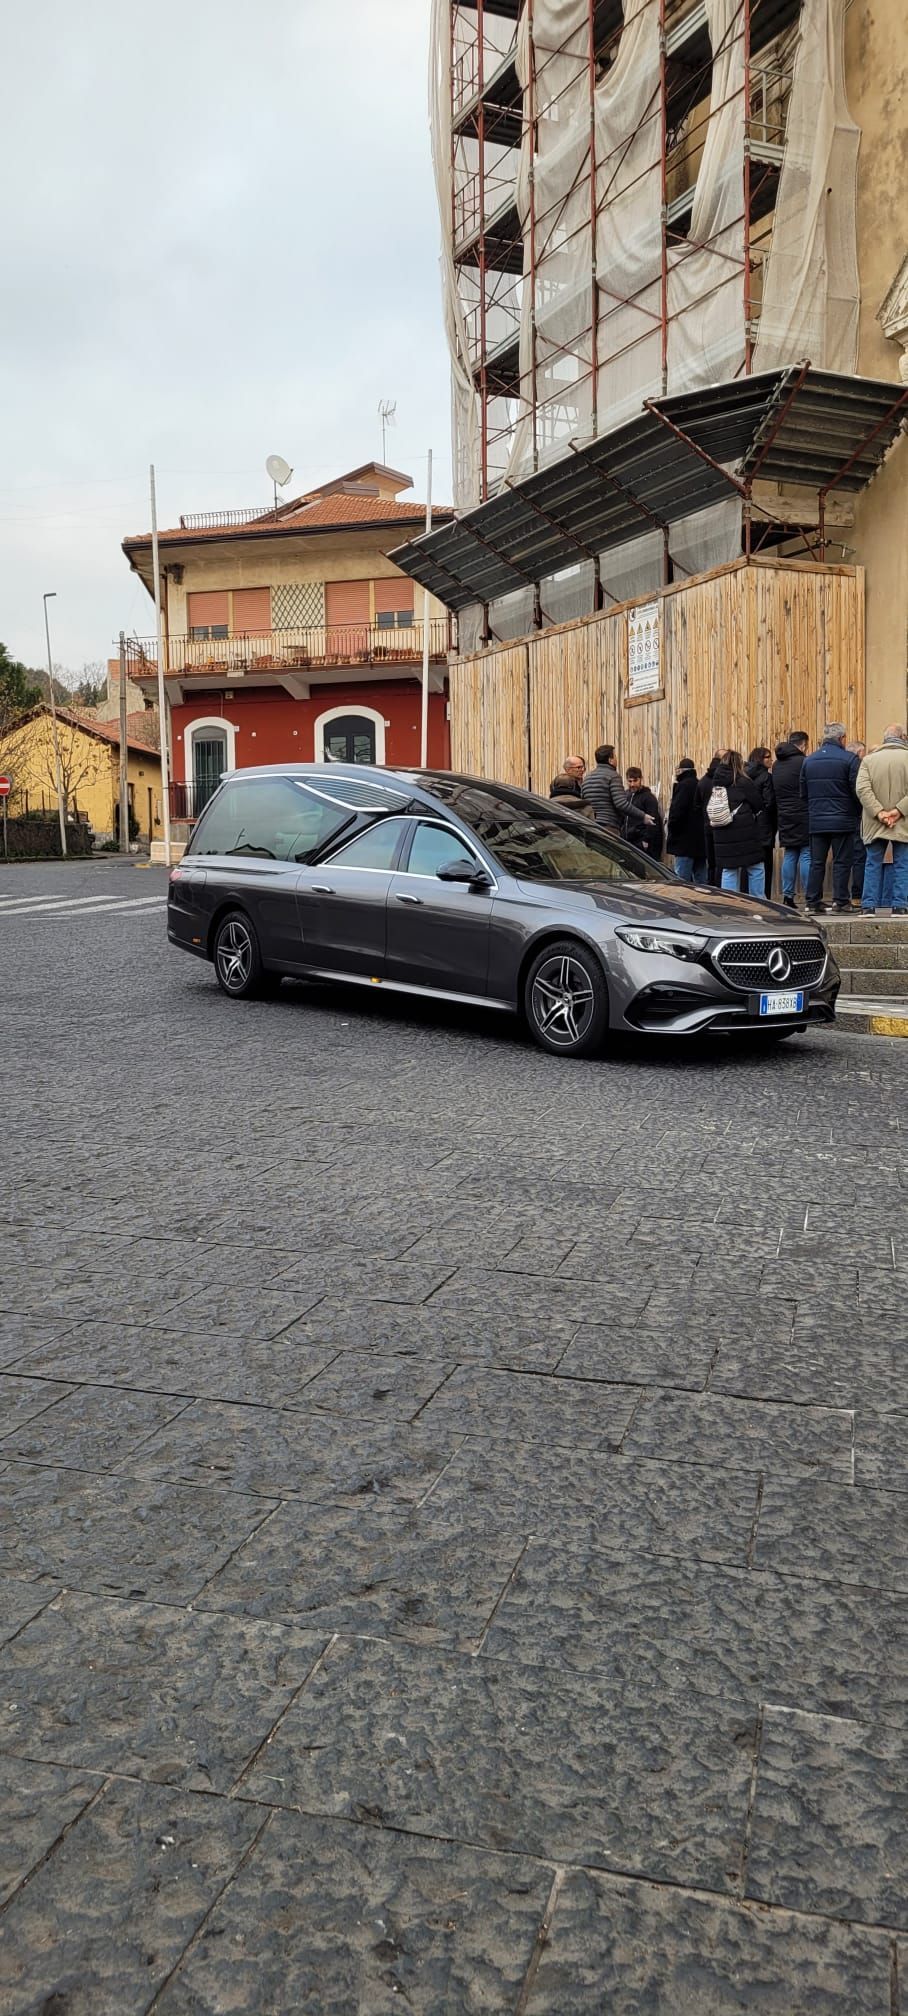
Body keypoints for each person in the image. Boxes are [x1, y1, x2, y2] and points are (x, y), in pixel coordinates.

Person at [800, 723, 861, 915]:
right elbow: (857, 791)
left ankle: (812, 902)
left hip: (817, 819)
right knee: (842, 861)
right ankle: (840, 901)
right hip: (843, 819)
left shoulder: (809, 760)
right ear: (842, 738)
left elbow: (803, 793)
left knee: (816, 862)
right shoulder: (850, 759)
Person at [855, 726, 908, 915]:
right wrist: (898, 811)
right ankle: (900, 905)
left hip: (874, 821)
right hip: (903, 821)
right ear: (903, 737)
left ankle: (868, 905)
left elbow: (862, 789)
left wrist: (880, 813)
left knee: (872, 862)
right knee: (903, 863)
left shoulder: (869, 760)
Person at [707, 749, 766, 897]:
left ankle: (731, 903)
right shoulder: (743, 782)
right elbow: (758, 804)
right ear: (738, 764)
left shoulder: (716, 783)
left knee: (729, 869)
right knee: (756, 867)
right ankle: (758, 901)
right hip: (745, 832)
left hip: (722, 832)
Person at [581, 743, 653, 840]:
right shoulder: (613, 776)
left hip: (590, 827)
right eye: (615, 756)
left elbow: (583, 803)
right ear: (610, 760)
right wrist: (643, 816)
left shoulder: (587, 779)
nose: (616, 759)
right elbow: (621, 803)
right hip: (608, 827)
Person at [773, 731, 810, 909]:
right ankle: (810, 896)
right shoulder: (804, 762)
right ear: (803, 745)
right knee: (806, 853)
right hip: (804, 813)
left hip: (784, 814)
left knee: (790, 853)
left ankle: (788, 896)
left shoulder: (776, 764)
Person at [667, 758, 708, 884]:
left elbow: (677, 813)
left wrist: (671, 830)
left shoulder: (683, 786)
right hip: (700, 841)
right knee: (701, 879)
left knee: (681, 882)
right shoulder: (700, 783)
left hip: (684, 841)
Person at [745, 747, 777, 898]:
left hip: (747, 825)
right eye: (767, 757)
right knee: (765, 865)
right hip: (764, 825)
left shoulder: (743, 775)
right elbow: (769, 802)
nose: (771, 759)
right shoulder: (766, 777)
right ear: (759, 759)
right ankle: (765, 898)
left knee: (748, 864)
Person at [624, 766, 663, 857]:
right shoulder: (626, 796)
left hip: (642, 844)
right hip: (628, 842)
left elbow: (654, 822)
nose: (632, 784)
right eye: (630, 781)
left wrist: (646, 841)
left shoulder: (648, 798)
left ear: (641, 779)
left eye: (635, 781)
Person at [847, 741, 867, 903]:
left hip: (837, 816)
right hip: (857, 817)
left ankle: (839, 896)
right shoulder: (858, 766)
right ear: (859, 753)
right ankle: (857, 896)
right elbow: (859, 792)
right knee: (860, 857)